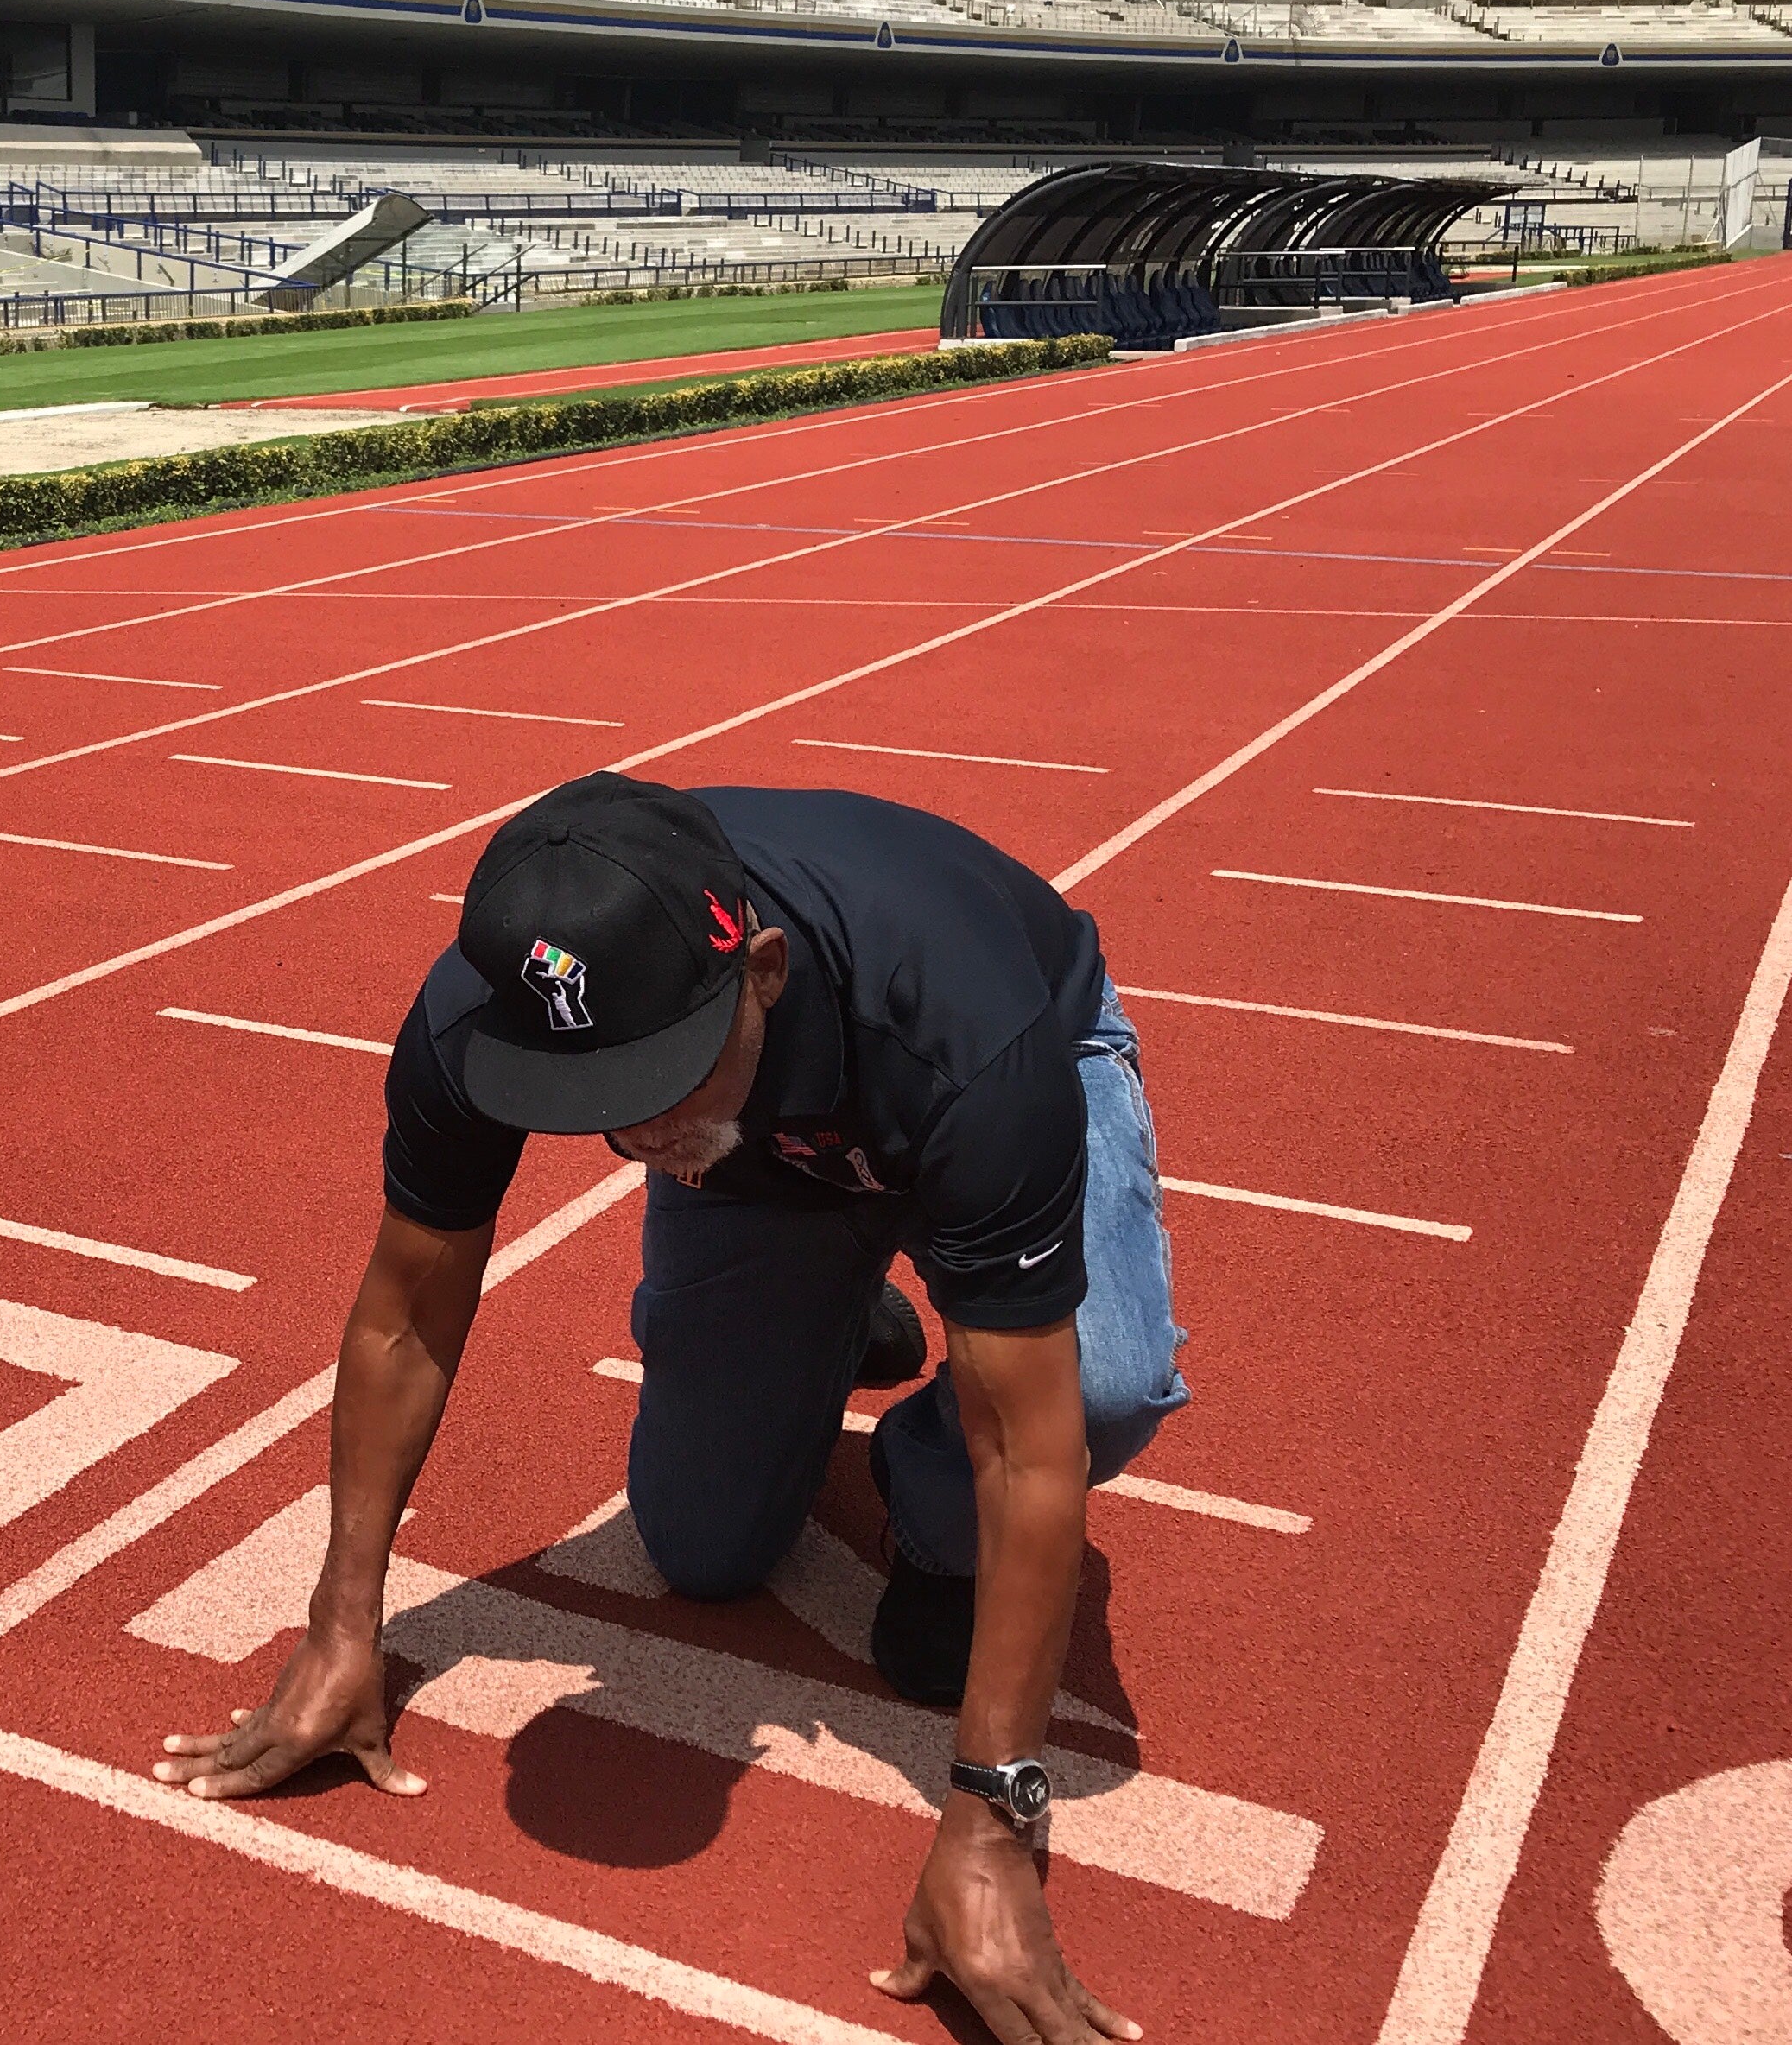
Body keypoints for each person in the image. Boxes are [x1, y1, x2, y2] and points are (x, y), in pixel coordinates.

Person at [151, 773, 1188, 2045]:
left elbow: (1028, 1449)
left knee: (1097, 1390)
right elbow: (403, 1311)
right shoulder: (477, 1015)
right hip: (764, 1159)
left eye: (660, 1076)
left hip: (971, 1086)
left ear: (757, 972)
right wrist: (339, 1619)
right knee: (699, 1547)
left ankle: (917, 1503)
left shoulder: (967, 1035)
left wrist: (991, 1819)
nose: (637, 1132)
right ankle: (821, 1318)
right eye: (588, 1101)